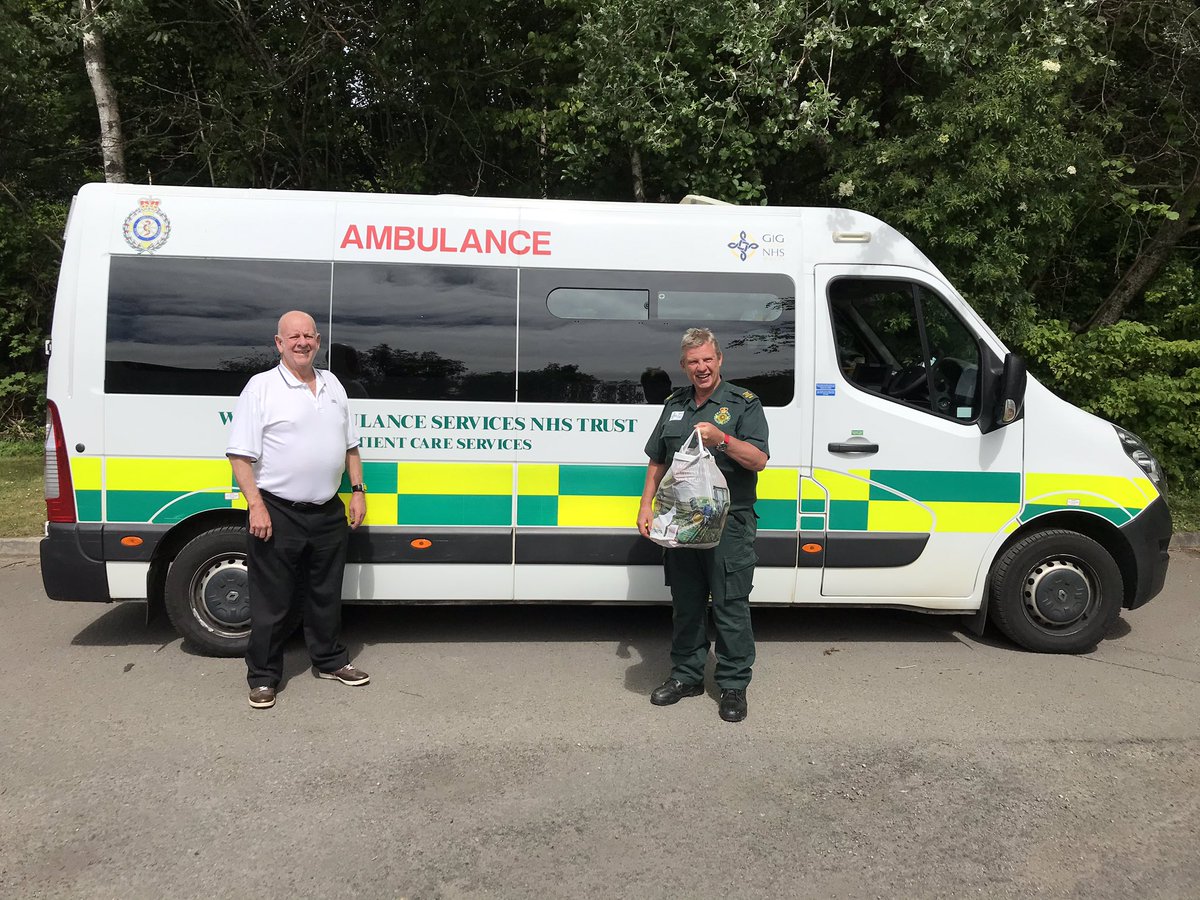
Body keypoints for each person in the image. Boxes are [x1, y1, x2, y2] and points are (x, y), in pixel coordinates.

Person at [226, 310, 369, 709]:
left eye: (308, 336)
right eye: (293, 337)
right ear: (279, 343)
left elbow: (351, 447)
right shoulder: (261, 388)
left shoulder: (333, 384)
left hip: (327, 509)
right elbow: (239, 455)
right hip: (278, 509)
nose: (302, 342)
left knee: (326, 594)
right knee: (273, 600)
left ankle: (329, 661)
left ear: (318, 341)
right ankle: (263, 677)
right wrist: (256, 506)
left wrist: (357, 491)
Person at [637, 328, 769, 723]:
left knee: (729, 605)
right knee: (687, 603)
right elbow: (657, 460)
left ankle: (733, 685)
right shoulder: (675, 405)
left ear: (719, 360)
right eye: (694, 362)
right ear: (684, 366)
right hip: (682, 522)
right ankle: (686, 676)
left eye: (707, 359)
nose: (702, 367)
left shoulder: (743, 403)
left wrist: (722, 439)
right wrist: (645, 505)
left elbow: (759, 460)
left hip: (729, 523)